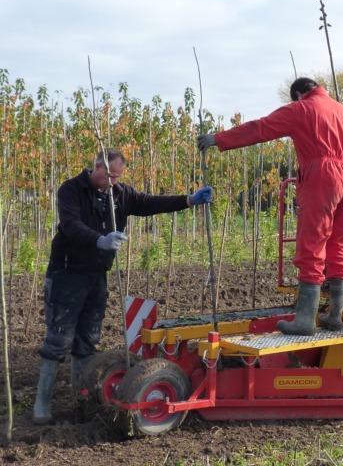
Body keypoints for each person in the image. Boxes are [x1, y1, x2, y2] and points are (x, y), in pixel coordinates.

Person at [33, 148, 213, 425]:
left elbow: (150, 203)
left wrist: (189, 200)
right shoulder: (71, 190)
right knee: (59, 339)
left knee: (87, 340)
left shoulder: (120, 194)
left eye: (118, 177)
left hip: (97, 275)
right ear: (98, 167)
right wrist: (100, 240)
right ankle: (41, 403)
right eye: (111, 176)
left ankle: (79, 398)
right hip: (67, 274)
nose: (114, 182)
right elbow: (70, 225)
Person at [197, 77, 343, 335]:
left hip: (321, 175)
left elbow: (259, 128)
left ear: (297, 94)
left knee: (312, 242)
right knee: (340, 243)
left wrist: (218, 138)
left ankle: (305, 320)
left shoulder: (301, 108)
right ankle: (335, 316)